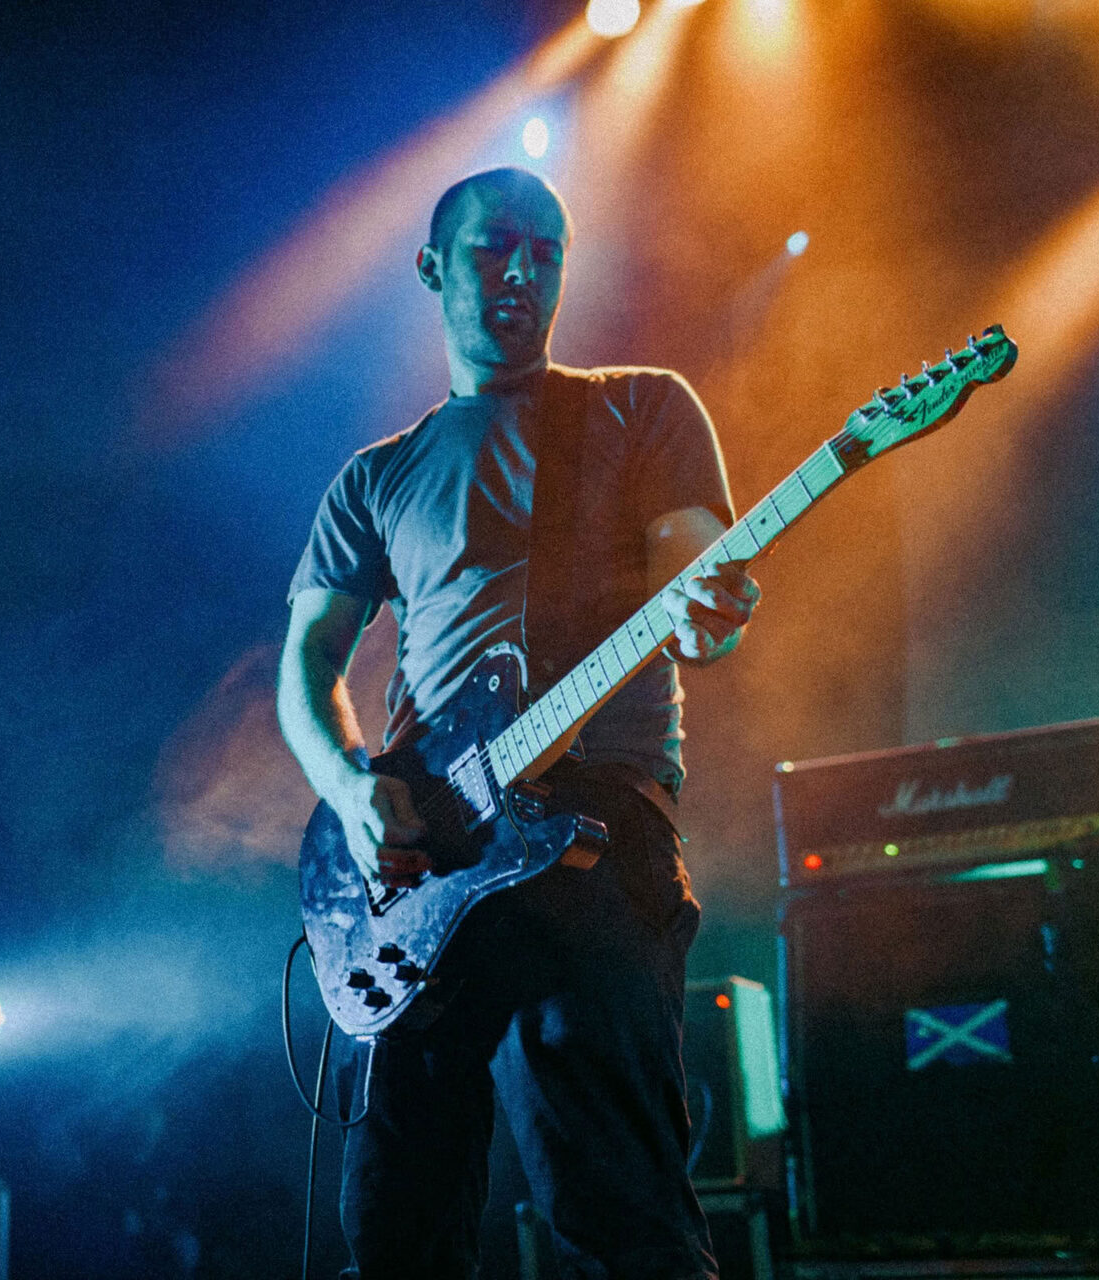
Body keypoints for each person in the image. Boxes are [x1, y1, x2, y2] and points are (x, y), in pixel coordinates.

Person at [277, 167, 760, 1278]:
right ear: (432, 267)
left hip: (594, 832)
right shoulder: (377, 476)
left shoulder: (641, 407)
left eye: (546, 249)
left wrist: (713, 609)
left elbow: (699, 596)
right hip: (427, 862)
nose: (523, 271)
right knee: (395, 1220)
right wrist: (354, 787)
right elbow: (307, 665)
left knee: (620, 1211)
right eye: (495, 247)